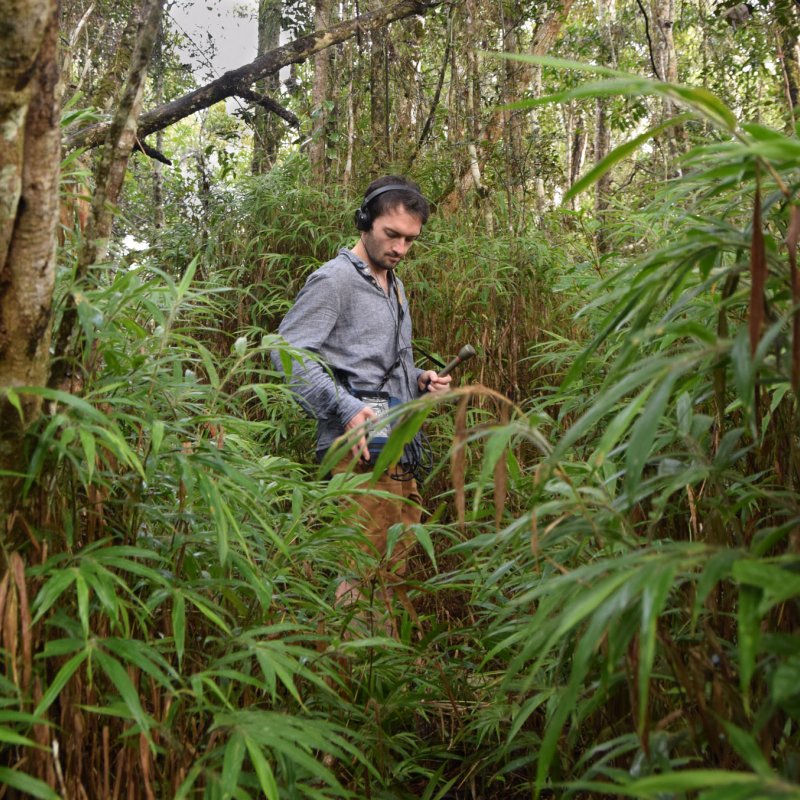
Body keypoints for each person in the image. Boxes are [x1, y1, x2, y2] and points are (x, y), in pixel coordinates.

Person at [273, 175, 451, 609]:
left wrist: (419, 379)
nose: (400, 249)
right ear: (365, 222)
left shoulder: (394, 284)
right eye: (392, 235)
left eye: (410, 240)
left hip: (397, 445)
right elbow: (286, 353)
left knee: (395, 561)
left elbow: (375, 363)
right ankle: (341, 665)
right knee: (362, 563)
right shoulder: (334, 280)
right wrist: (346, 407)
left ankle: (378, 666)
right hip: (356, 450)